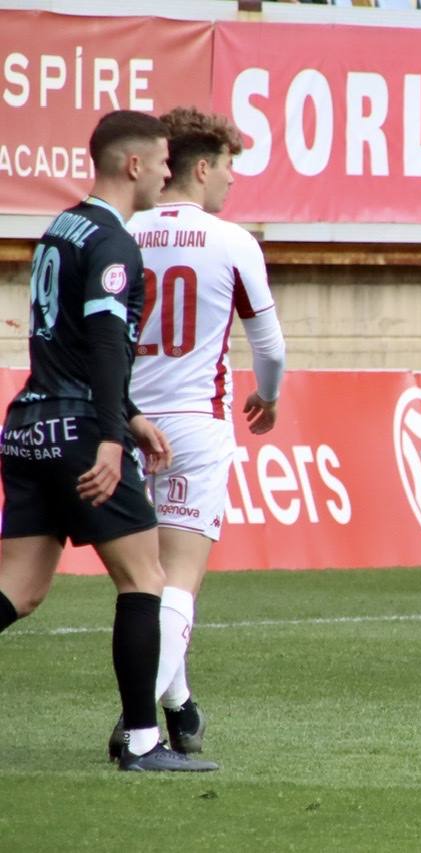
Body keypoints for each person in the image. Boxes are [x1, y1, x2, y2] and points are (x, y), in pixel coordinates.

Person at [0, 110, 217, 771]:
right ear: (132, 165)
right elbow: (100, 341)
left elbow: (61, 340)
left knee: (18, 590)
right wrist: (114, 433)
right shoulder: (115, 243)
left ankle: (148, 736)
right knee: (145, 577)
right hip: (79, 429)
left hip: (28, 423)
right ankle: (145, 742)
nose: (163, 172)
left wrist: (131, 412)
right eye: (158, 161)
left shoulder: (61, 230)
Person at [104, 106, 286, 761]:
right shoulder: (232, 241)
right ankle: (136, 724)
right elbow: (269, 344)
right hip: (194, 429)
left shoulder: (123, 229)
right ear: (201, 167)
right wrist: (268, 396)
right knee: (175, 583)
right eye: (229, 166)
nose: (233, 181)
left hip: (124, 427)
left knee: (142, 583)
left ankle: (178, 706)